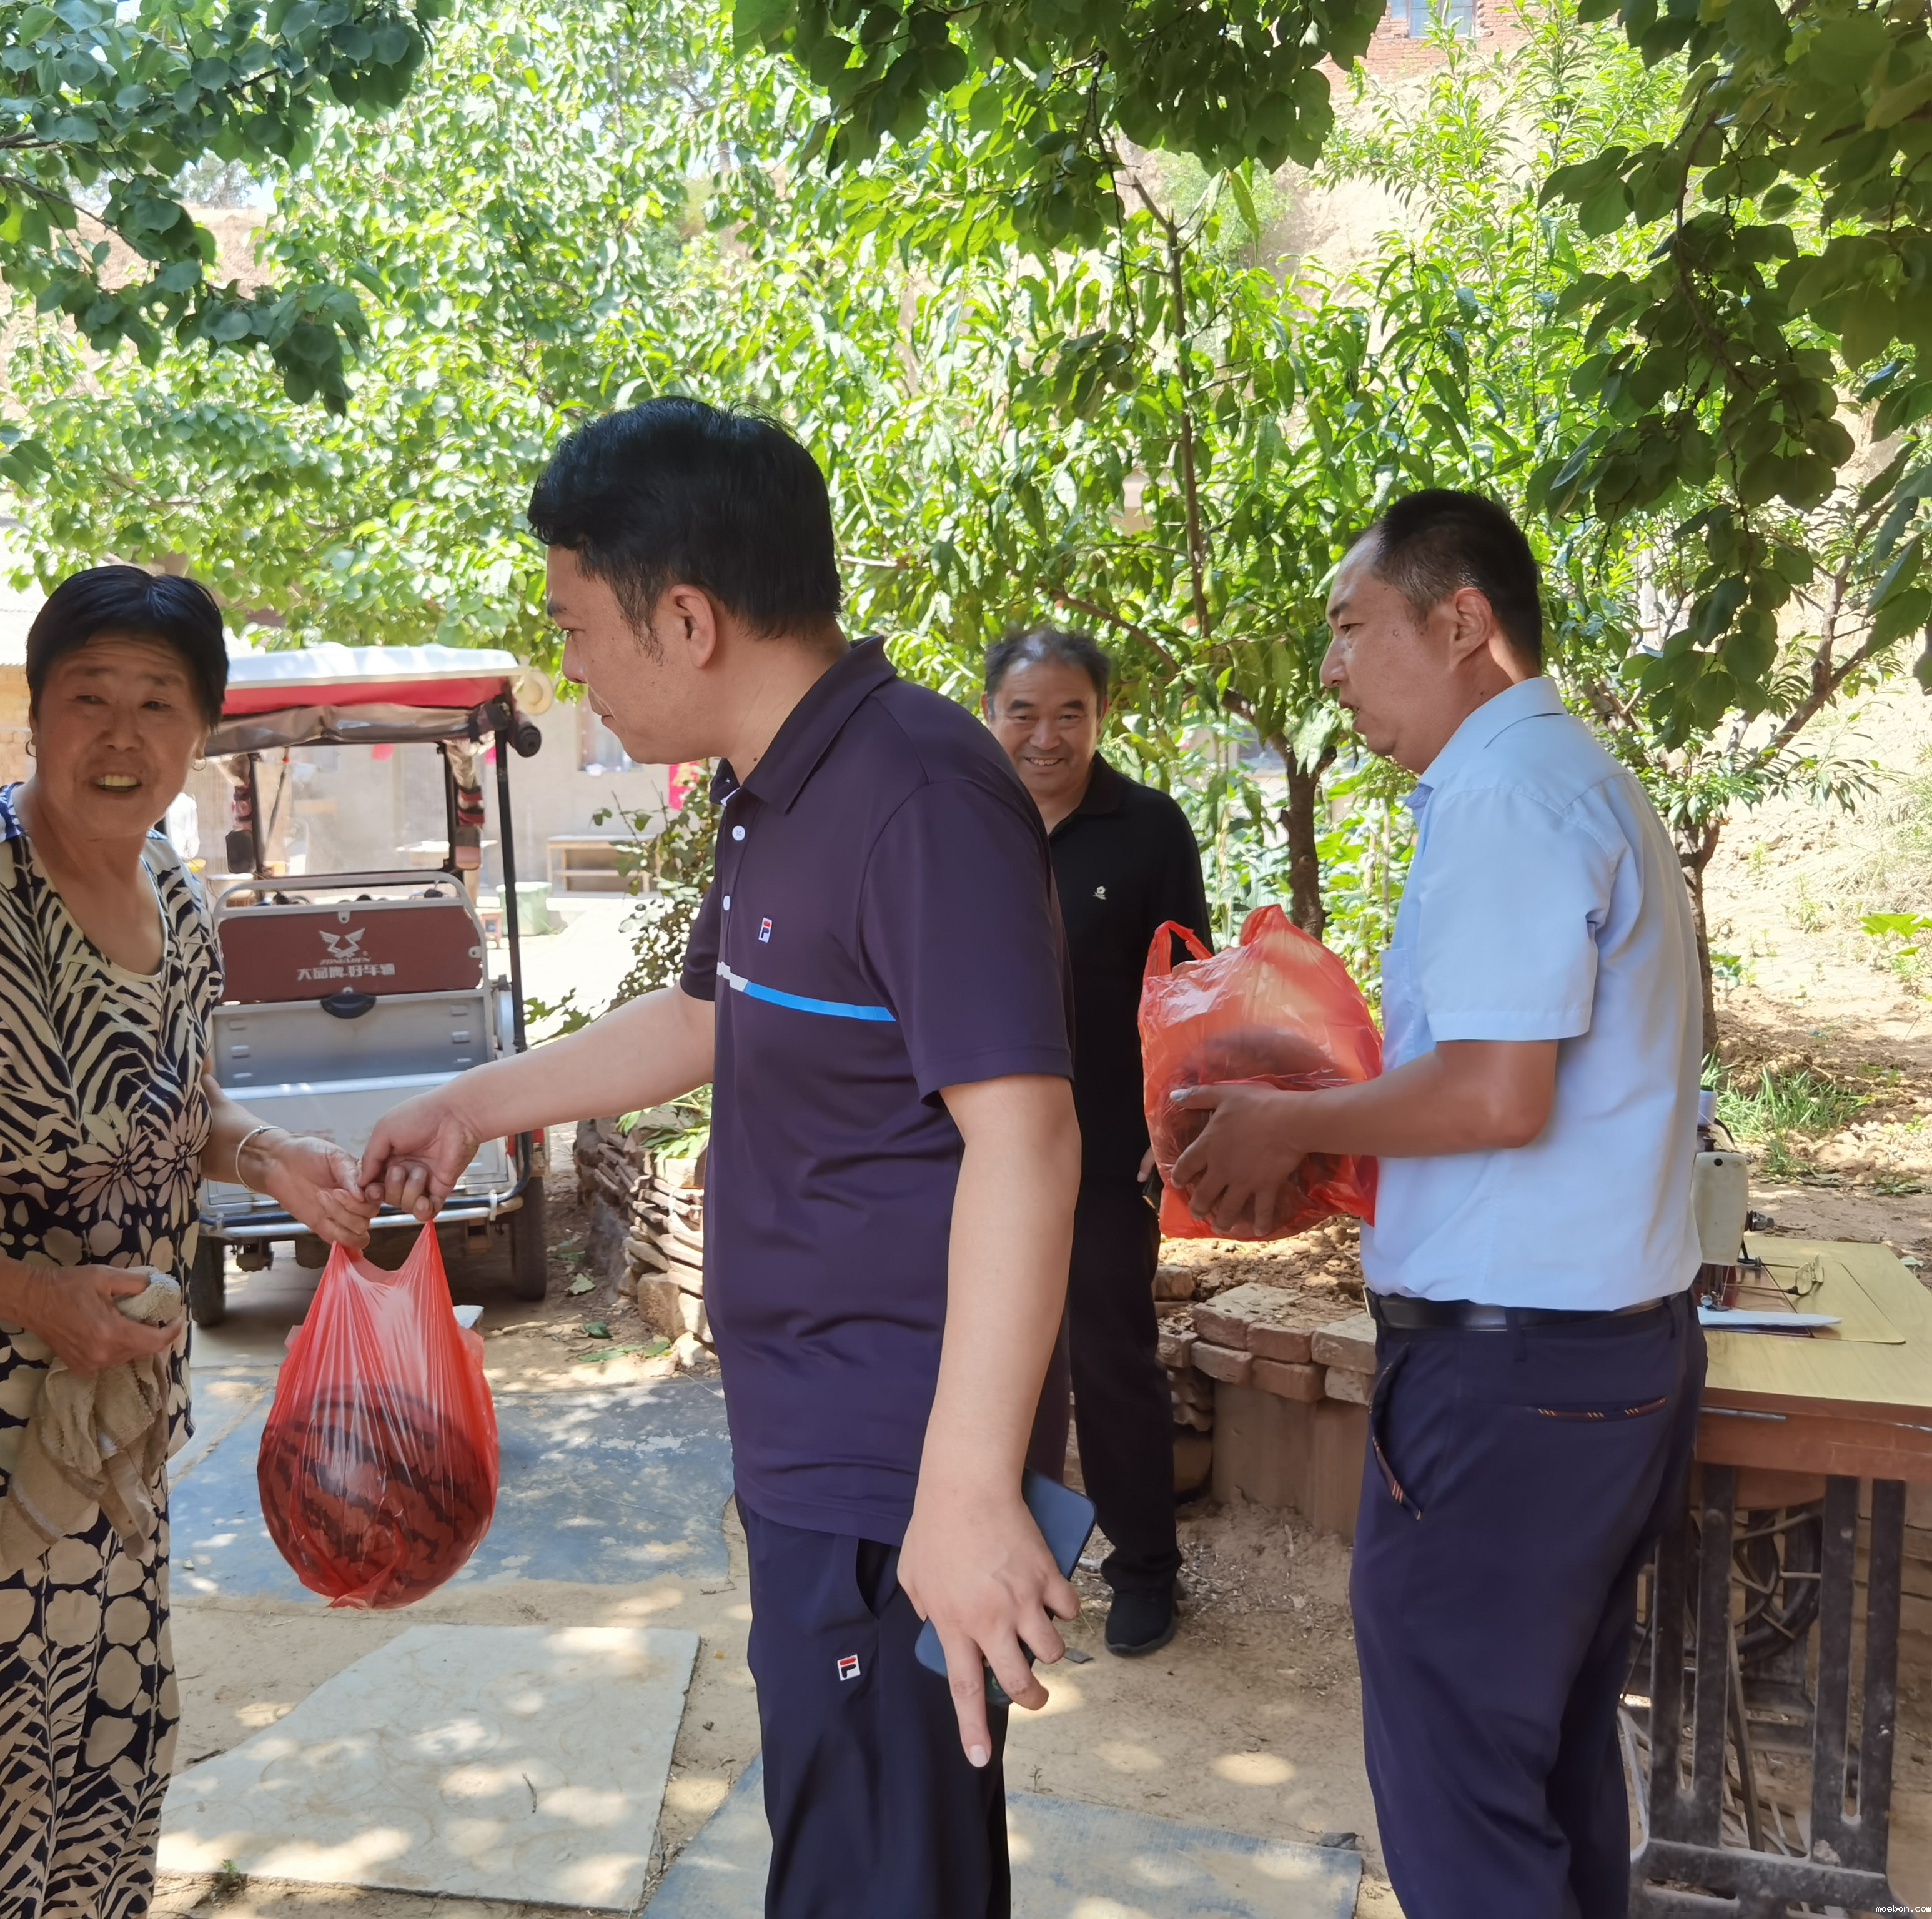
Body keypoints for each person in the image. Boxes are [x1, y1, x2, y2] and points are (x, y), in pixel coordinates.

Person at [361, 398, 1082, 1918]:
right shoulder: (779, 788)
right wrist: (473, 1105)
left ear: (684, 619)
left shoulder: (916, 793)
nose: (569, 666)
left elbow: (1026, 1139)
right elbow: (706, 1014)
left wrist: (963, 1491)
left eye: (575, 626)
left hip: (896, 1464)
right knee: (852, 1858)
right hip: (817, 1443)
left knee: (874, 1880)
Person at [0, 567, 371, 1916]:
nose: (120, 734)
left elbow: (168, 1109)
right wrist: (32, 1296)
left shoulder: (171, 889)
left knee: (106, 1760)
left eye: (158, 702)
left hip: (99, 1421)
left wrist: (271, 1157)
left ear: (200, 729)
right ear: (34, 713)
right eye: (88, 696)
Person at [1171, 490, 1705, 1917]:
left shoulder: (1504, 793)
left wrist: (1289, 1122)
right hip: (1598, 1360)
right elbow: (1508, 1097)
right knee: (1547, 1767)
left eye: (1352, 628)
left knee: (1461, 1791)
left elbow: (1492, 1094)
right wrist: (1339, 1141)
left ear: (1462, 623)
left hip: (1513, 1379)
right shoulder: (1577, 779)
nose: (1331, 669)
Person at [983, 628, 1210, 1658]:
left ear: (1101, 716)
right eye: (1023, 712)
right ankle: (1000, 1564)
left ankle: (1146, 1570)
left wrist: (1175, 1121)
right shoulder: (962, 823)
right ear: (990, 714)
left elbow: (1188, 988)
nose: (1046, 735)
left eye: (1069, 711)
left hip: (1105, 1154)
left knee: (1111, 1359)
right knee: (989, 1361)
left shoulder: (1150, 828)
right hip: (974, 1153)